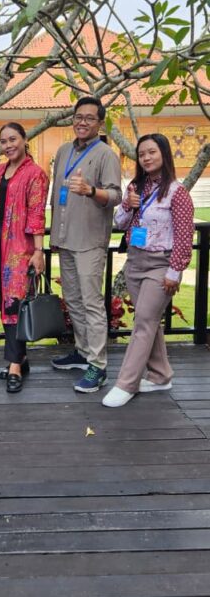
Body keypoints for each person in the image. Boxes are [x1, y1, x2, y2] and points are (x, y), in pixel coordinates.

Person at [102, 133, 194, 408]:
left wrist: (174, 272)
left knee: (143, 321)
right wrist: (127, 206)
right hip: (135, 261)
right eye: (142, 154)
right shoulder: (136, 187)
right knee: (149, 321)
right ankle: (160, 375)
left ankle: (126, 383)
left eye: (152, 152)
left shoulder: (177, 193)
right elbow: (120, 223)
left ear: (164, 153)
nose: (146, 158)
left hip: (160, 264)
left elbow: (184, 236)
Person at [50, 96, 122, 393]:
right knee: (74, 301)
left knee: (91, 304)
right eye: (78, 116)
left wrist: (91, 190)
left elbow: (115, 196)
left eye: (89, 118)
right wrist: (55, 237)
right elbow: (56, 194)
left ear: (100, 123)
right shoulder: (63, 151)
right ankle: (82, 352)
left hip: (90, 241)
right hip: (65, 239)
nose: (82, 122)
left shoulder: (106, 155)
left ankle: (98, 366)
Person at [0, 124, 49, 393]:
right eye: (3, 141)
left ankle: (15, 366)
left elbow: (37, 215)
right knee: (4, 304)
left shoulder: (35, 174)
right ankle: (21, 359)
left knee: (14, 307)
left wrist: (39, 252)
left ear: (24, 139)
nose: (8, 145)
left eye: (13, 139)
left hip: (20, 251)